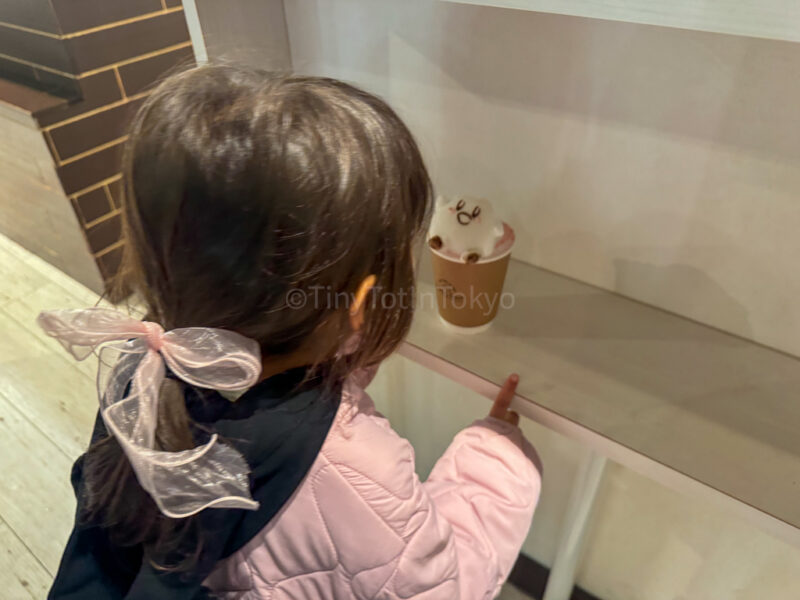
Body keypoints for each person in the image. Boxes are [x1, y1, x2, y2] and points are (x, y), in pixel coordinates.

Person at [41, 64, 542, 599]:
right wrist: (494, 454)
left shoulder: (143, 372)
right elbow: (446, 588)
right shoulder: (349, 472)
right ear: (364, 304)